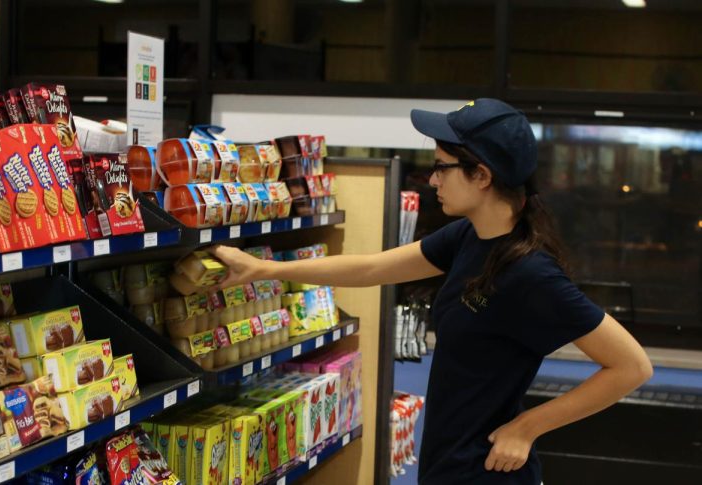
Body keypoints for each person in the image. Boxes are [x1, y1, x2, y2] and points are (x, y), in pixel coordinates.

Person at [210, 98, 653, 484]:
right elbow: (371, 268)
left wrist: (527, 427)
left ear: (481, 175)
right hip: (449, 461)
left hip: (487, 472)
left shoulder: (530, 273)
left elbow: (631, 366)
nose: (432, 179)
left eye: (442, 167)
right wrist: (260, 268)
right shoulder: (468, 237)